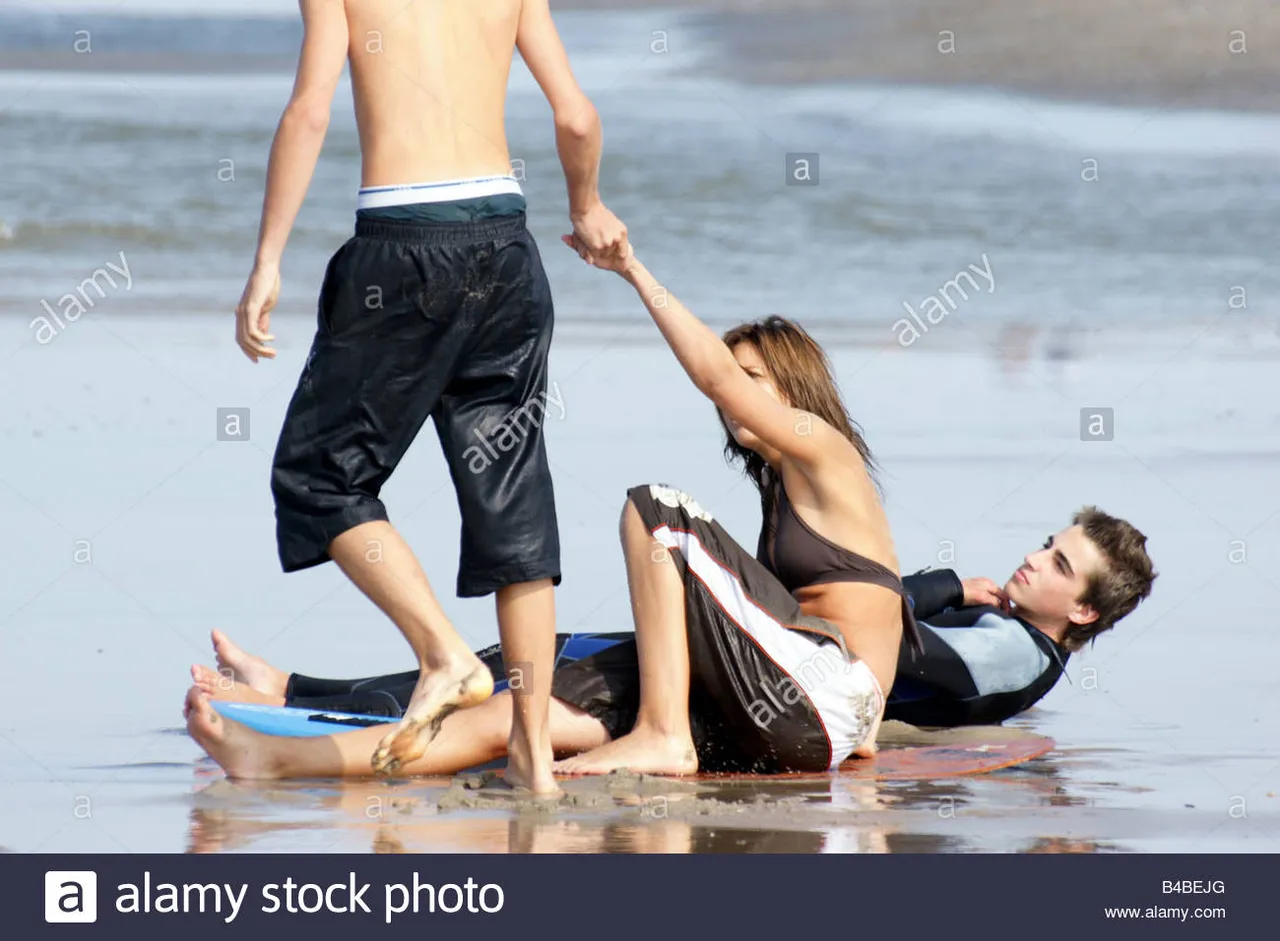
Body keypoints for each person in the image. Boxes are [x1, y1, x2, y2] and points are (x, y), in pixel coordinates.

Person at [230, 0, 629, 794]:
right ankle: (533, 761)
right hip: (509, 252)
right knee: (511, 500)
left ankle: (444, 654)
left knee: (318, 476)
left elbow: (310, 109)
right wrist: (585, 206)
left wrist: (267, 257)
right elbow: (577, 117)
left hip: (402, 251)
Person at [183, 508, 1155, 779]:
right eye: (1043, 544)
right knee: (537, 665)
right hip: (761, 693)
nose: (1033, 562)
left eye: (1058, 565)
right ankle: (305, 691)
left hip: (765, 699)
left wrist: (933, 590)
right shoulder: (1011, 634)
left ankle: (292, 734)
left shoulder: (1015, 655)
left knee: (525, 695)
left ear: (1080, 613)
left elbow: (889, 651)